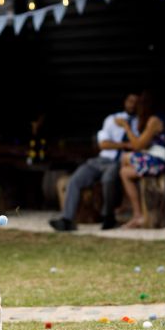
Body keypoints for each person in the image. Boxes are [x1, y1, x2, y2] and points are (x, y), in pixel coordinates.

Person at [49, 93, 139, 231]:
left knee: (108, 180)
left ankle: (108, 216)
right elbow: (103, 144)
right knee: (75, 179)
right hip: (101, 159)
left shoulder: (139, 122)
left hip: (119, 162)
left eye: (135, 101)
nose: (132, 104)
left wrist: (126, 128)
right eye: (130, 100)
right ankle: (67, 219)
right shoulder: (112, 119)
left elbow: (136, 145)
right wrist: (124, 145)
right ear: (125, 101)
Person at [118, 90, 165, 229]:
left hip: (161, 161)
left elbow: (138, 146)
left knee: (126, 158)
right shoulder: (154, 118)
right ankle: (137, 212)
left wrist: (126, 127)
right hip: (156, 157)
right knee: (125, 172)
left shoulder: (154, 120)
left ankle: (129, 205)